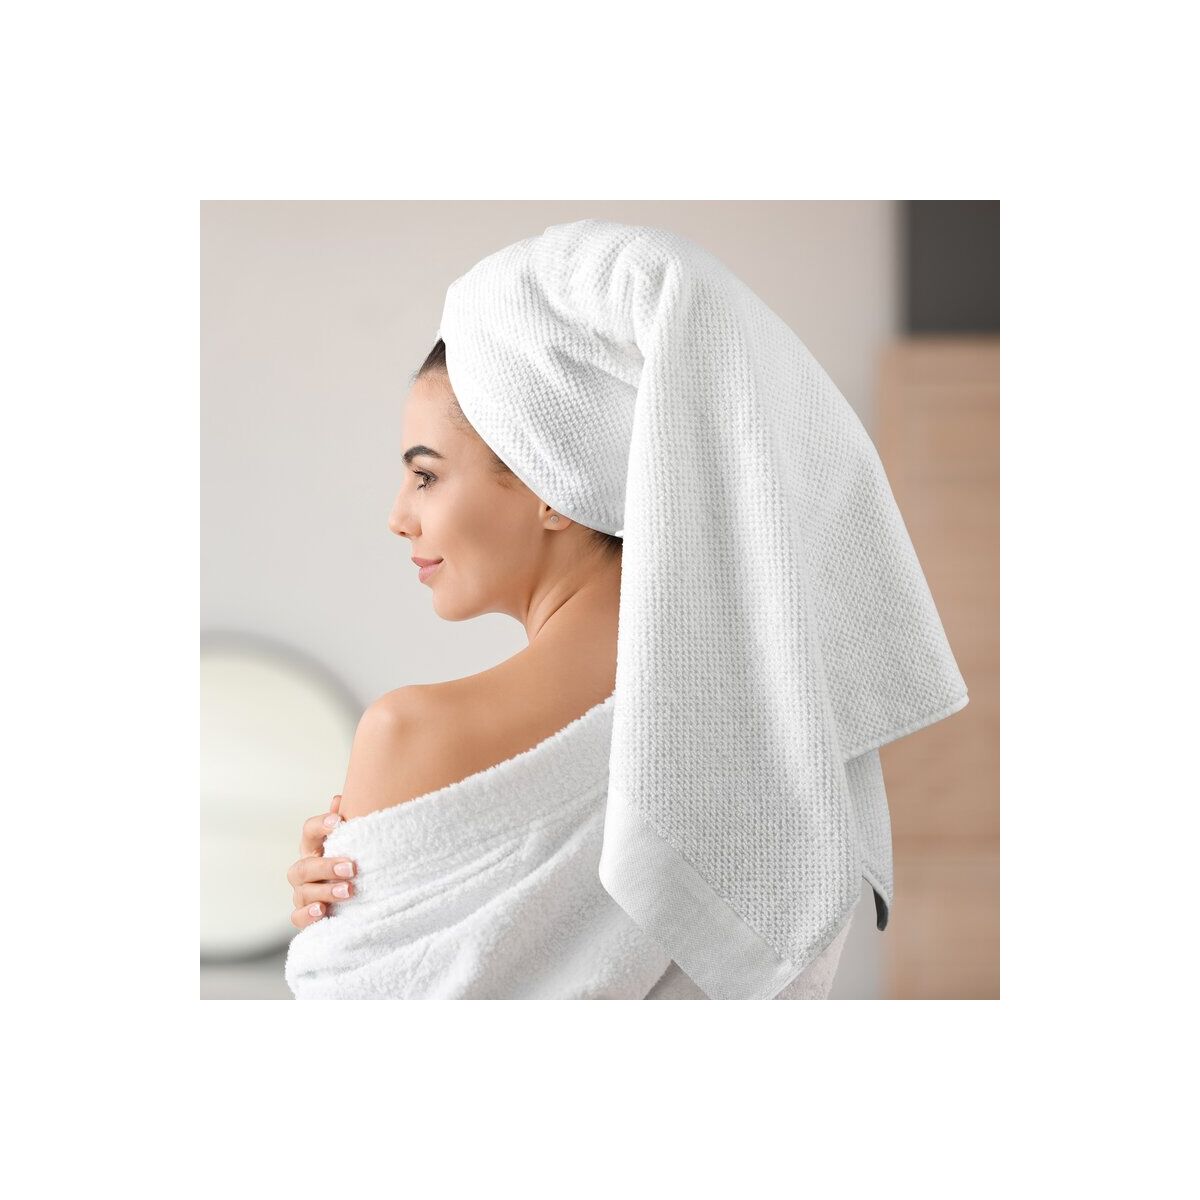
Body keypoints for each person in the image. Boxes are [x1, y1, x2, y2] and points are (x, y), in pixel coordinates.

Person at [286, 336, 625, 932]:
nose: (398, 519)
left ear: (554, 484)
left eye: (425, 476)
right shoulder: (756, 711)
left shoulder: (411, 734)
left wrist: (325, 936)